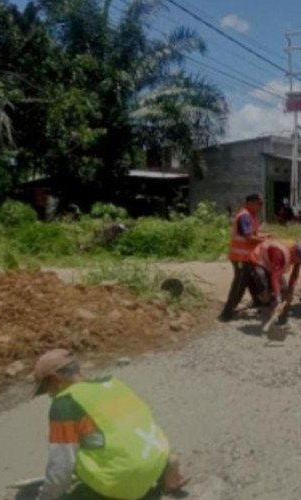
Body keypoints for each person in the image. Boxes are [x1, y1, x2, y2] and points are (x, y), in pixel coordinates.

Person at [31, 349, 187, 500]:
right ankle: (166, 470)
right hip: (157, 456)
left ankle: (122, 489)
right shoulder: (114, 383)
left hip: (123, 481)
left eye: (47, 389)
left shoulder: (65, 403)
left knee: (65, 448)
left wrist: (45, 497)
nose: (50, 396)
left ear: (55, 379)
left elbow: (61, 467)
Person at [218, 193, 269, 322]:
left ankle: (257, 302)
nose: (260, 207)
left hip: (247, 257)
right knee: (239, 284)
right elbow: (249, 238)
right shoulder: (245, 216)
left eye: (261, 204)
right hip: (240, 257)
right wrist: (265, 241)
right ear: (250, 203)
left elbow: (253, 234)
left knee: (251, 279)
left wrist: (265, 235)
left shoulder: (250, 216)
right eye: (259, 204)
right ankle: (226, 313)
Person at [251, 239, 301, 323]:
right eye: (298, 259)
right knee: (266, 291)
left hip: (273, 264)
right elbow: (274, 277)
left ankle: (282, 322)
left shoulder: (298, 254)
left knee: (284, 291)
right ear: (293, 252)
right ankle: (266, 319)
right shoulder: (279, 253)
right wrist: (278, 300)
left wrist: (290, 292)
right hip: (260, 260)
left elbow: (294, 275)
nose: (297, 262)